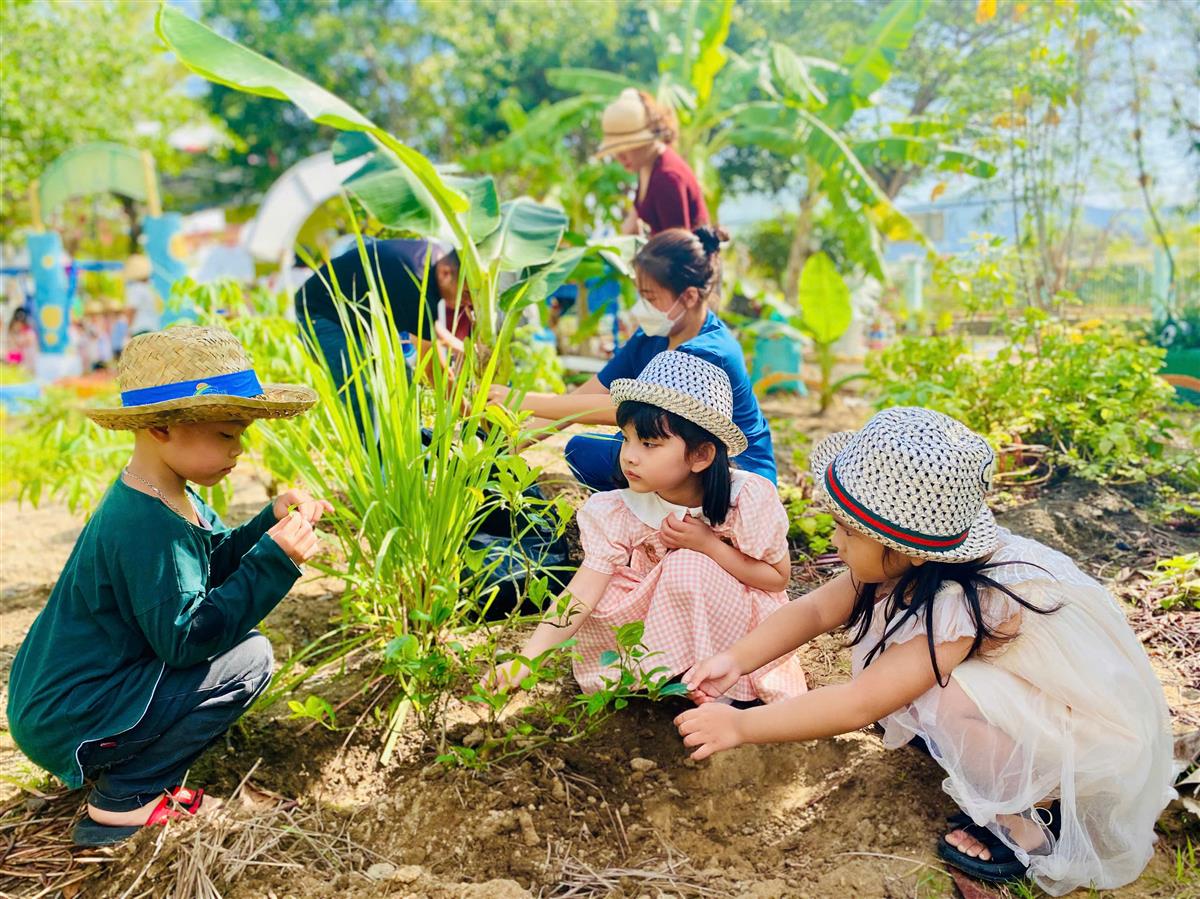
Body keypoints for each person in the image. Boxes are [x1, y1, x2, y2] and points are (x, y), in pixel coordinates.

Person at [674, 407, 1174, 895]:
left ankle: (1029, 815)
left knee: (946, 694)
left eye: (848, 532)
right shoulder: (910, 559)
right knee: (919, 682)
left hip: (1074, 729)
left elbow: (861, 702)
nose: (835, 540)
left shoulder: (963, 602)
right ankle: (987, 753)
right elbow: (814, 610)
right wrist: (736, 659)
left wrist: (740, 726)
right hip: (1025, 695)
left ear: (907, 551)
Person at [6, 326, 330, 847]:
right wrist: (274, 562)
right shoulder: (145, 525)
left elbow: (207, 563)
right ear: (161, 427)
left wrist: (265, 528)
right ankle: (127, 796)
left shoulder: (166, 493)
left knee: (242, 650)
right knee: (249, 659)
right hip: (72, 713)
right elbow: (188, 639)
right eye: (225, 434)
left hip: (72, 700)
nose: (239, 449)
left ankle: (128, 770)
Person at [490, 351, 806, 702]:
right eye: (626, 438)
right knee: (606, 588)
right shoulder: (621, 508)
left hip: (740, 622)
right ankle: (665, 676)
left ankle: (721, 692)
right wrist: (527, 660)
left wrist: (709, 545)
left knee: (688, 566)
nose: (629, 455)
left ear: (701, 455)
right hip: (672, 615)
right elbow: (580, 593)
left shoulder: (745, 497)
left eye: (649, 444)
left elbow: (777, 578)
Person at [491, 227, 776, 490]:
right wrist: (506, 444)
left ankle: (685, 510)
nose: (642, 308)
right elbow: (586, 397)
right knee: (584, 450)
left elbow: (630, 411)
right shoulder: (652, 335)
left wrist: (520, 400)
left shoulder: (709, 352)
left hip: (728, 468)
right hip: (670, 453)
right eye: (640, 296)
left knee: (634, 452)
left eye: (650, 298)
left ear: (689, 297)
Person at [295, 237, 471, 391]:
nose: (468, 302)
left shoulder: (434, 255)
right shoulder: (417, 288)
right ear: (446, 273)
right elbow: (434, 371)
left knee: (401, 382)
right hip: (320, 313)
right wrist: (468, 412)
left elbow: (430, 329)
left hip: (355, 317)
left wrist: (463, 348)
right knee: (366, 390)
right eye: (465, 294)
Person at [596, 88, 709, 235]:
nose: (619, 157)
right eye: (615, 149)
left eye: (627, 147)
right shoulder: (647, 165)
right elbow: (631, 223)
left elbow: (679, 245)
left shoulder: (667, 177)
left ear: (647, 140)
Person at [123, 254, 160, 337]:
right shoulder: (149, 288)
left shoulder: (135, 288)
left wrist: (127, 330)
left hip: (140, 329)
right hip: (152, 328)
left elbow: (131, 310)